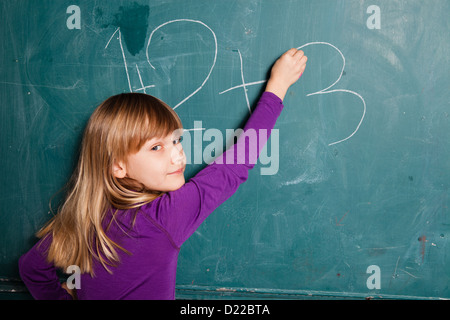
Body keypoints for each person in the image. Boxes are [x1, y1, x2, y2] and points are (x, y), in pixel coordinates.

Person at [18, 48, 307, 300]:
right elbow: (237, 163)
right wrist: (277, 86)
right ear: (118, 166)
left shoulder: (79, 221)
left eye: (176, 140)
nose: (177, 154)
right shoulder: (163, 217)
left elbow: (32, 268)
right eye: (156, 147)